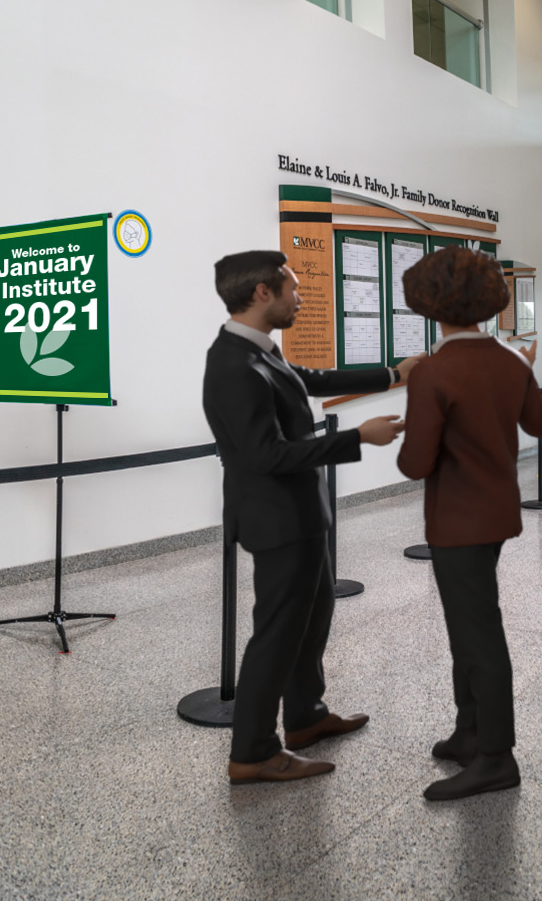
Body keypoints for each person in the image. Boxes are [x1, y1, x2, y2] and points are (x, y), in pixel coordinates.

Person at [202, 251, 416, 785]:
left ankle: (305, 718)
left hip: (301, 515)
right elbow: (265, 456)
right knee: (276, 635)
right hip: (278, 522)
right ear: (261, 294)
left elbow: (311, 380)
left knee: (311, 620)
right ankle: (252, 752)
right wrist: (355, 439)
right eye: (293, 288)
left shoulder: (259, 352)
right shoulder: (232, 365)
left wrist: (393, 373)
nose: (300, 297)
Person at [396, 246, 542, 802]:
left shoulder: (434, 372)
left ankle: (495, 756)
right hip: (496, 515)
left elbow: (414, 463)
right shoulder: (511, 360)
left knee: (478, 634)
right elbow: (539, 422)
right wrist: (525, 371)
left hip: (455, 520)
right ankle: (469, 730)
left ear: (431, 304)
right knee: (471, 625)